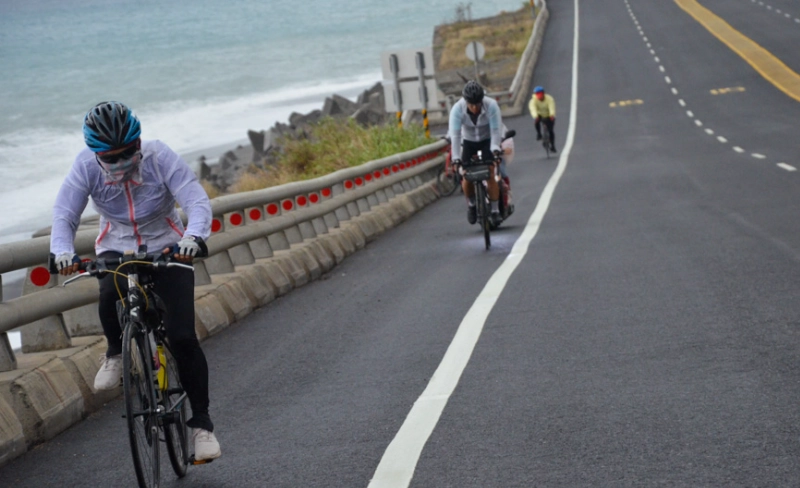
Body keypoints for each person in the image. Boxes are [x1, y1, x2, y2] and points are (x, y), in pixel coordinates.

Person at [50, 101, 221, 461]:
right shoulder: (84, 167)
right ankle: (114, 352)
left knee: (182, 337)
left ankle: (202, 427)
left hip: (169, 245)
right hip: (116, 245)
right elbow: (65, 214)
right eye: (110, 158)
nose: (120, 162)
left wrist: (193, 238)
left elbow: (196, 199)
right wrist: (62, 250)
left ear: (139, 142)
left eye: (128, 153)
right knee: (106, 289)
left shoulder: (161, 157)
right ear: (96, 155)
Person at [448, 80, 505, 227]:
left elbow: (496, 131)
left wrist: (495, 150)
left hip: (487, 140)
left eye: (477, 104)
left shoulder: (491, 105)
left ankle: (494, 211)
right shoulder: (457, 109)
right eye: (471, 104)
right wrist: (455, 158)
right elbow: (455, 136)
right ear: (465, 101)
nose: (474, 108)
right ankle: (472, 205)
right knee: (466, 176)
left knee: (490, 172)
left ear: (482, 100)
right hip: (468, 141)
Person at [529, 86, 557, 153]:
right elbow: (533, 109)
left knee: (551, 131)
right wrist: (536, 116)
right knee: (536, 121)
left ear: (543, 93)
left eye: (540, 93)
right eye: (537, 94)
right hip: (540, 115)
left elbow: (551, 107)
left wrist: (551, 115)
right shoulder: (533, 101)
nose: (539, 95)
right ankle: (539, 134)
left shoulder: (549, 99)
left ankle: (552, 146)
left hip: (548, 115)